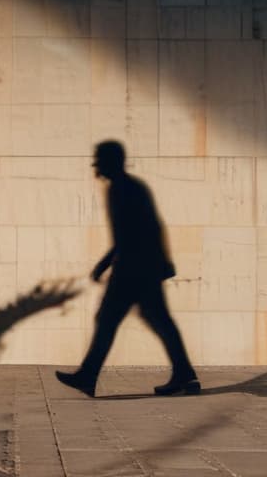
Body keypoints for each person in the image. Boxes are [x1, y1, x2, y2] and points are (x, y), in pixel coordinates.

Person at [56, 141, 200, 397]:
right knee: (159, 321)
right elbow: (152, 227)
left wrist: (105, 264)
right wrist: (162, 262)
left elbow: (130, 234)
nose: (97, 166)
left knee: (108, 320)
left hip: (132, 269)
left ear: (111, 162)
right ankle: (185, 375)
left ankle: (88, 376)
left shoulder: (121, 189)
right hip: (144, 267)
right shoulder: (132, 187)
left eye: (99, 161)